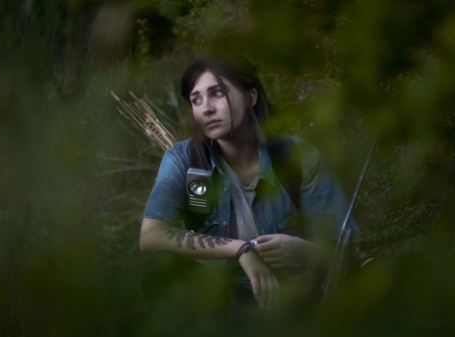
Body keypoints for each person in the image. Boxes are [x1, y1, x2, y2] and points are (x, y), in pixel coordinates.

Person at [139, 55, 356, 311]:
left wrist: (297, 250)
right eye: (196, 100)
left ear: (251, 96)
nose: (206, 108)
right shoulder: (184, 159)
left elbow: (341, 251)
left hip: (293, 300)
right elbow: (151, 235)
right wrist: (240, 249)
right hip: (218, 305)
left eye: (217, 93)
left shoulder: (298, 157)